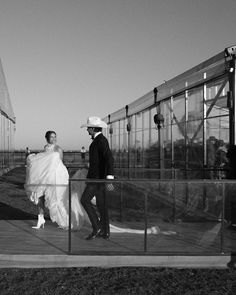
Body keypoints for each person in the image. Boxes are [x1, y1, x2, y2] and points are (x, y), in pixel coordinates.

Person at [25, 131, 86, 230]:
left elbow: (60, 161)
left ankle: (63, 220)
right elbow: (44, 161)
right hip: (47, 174)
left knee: (58, 198)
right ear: (47, 138)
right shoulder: (46, 148)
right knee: (40, 196)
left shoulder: (58, 148)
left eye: (55, 137)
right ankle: (40, 218)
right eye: (52, 137)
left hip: (58, 175)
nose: (54, 139)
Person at [80, 116, 114, 240]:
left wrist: (109, 178)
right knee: (101, 205)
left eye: (88, 128)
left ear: (93, 128)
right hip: (98, 179)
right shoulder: (98, 140)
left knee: (84, 200)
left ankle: (97, 227)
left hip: (97, 180)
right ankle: (105, 232)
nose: (87, 130)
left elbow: (109, 158)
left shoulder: (101, 141)